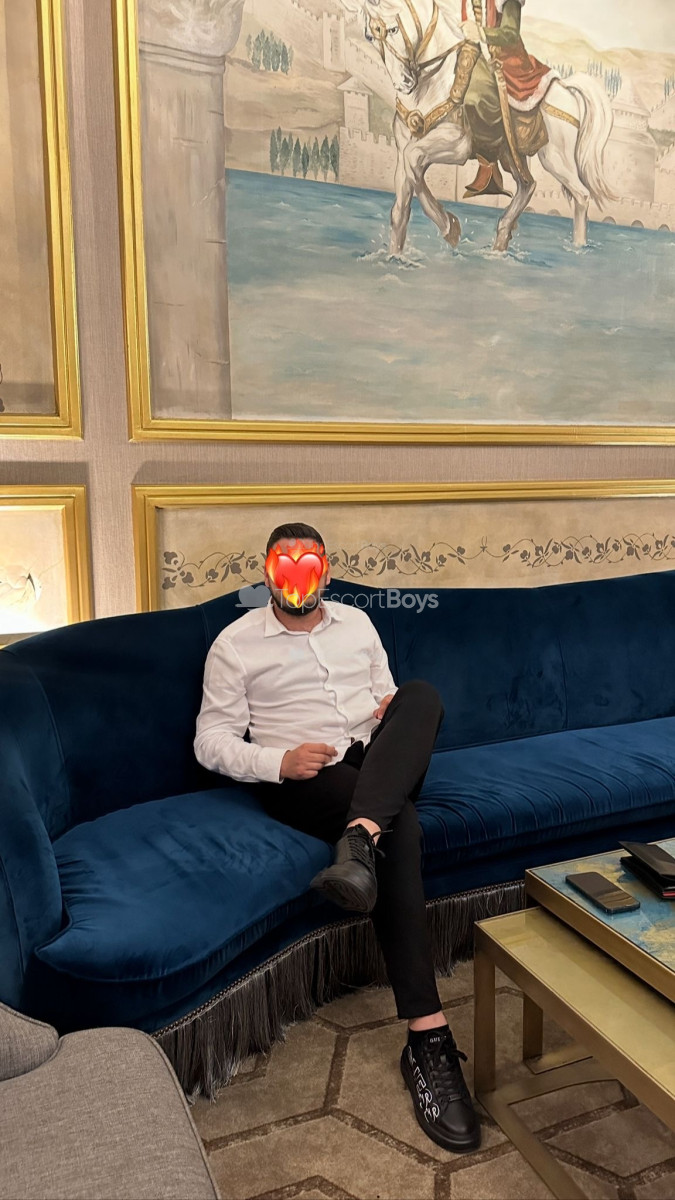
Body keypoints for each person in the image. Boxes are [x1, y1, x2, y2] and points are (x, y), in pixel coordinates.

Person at [194, 521, 481, 1155]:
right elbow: (210, 741)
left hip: (372, 758)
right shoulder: (235, 645)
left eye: (310, 561)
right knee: (402, 825)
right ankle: (427, 1036)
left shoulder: (358, 622)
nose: (298, 572)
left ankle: (358, 834)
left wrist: (385, 710)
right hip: (306, 776)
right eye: (286, 561)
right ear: (268, 571)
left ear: (325, 569)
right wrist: (277, 760)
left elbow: (387, 694)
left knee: (420, 696)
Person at [456, 0, 557, 197]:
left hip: (503, 57)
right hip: (472, 50)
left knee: (475, 96)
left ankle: (489, 161)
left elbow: (510, 34)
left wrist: (481, 33)